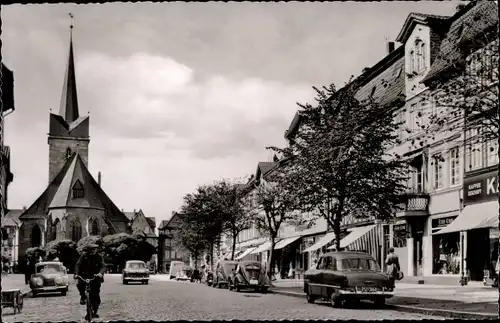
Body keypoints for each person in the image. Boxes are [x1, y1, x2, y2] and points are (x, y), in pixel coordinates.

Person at [74, 244, 105, 320]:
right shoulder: (83, 256)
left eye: (95, 249)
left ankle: (95, 312)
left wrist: (100, 273)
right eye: (92, 249)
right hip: (85, 275)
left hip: (95, 276)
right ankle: (83, 296)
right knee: (79, 284)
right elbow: (78, 265)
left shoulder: (99, 257)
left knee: (96, 295)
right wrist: (76, 274)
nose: (94, 251)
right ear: (88, 250)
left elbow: (103, 266)